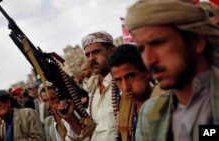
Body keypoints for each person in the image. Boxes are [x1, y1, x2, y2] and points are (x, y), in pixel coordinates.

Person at [125, 0, 219, 141]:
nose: (149, 60)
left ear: (197, 41)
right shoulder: (150, 114)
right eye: (141, 49)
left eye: (157, 43)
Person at [108, 44, 152, 141]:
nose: (125, 87)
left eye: (130, 76)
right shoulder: (125, 108)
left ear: (147, 72)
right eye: (118, 80)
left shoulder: (164, 104)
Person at [82, 31, 117, 140]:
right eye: (88, 55)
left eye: (96, 52)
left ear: (111, 50)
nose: (91, 59)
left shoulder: (124, 84)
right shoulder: (93, 91)